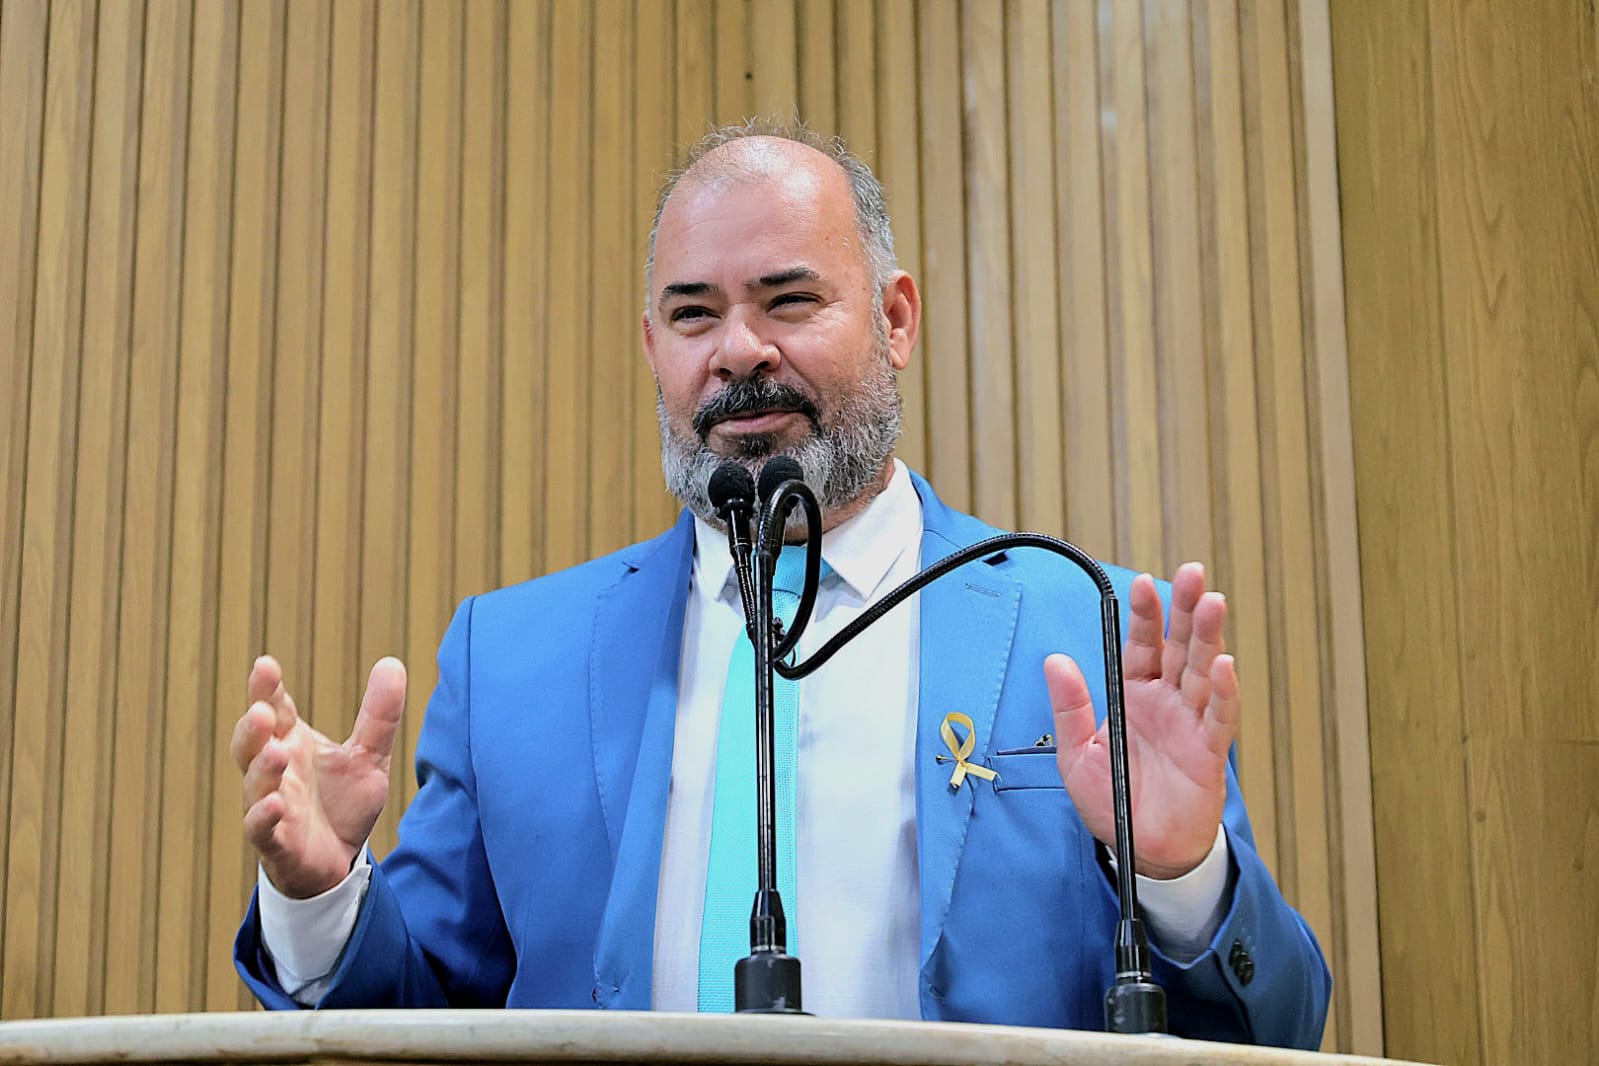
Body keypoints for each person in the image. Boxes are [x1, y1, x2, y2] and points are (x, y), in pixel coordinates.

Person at [231, 120, 1330, 1048]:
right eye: (693, 314)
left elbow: (1276, 1025)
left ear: (895, 320)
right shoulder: (513, 660)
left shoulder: (1085, 625)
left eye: (789, 300)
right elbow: (417, 1021)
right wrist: (320, 896)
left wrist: (1179, 878)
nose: (738, 350)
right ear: (652, 346)